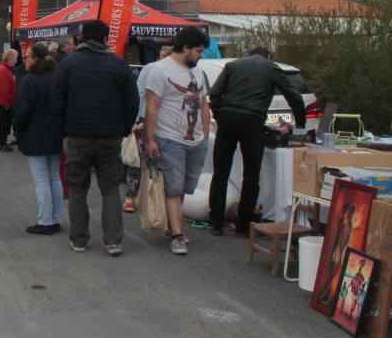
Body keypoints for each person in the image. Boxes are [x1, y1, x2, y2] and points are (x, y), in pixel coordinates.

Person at [53, 20, 138, 256]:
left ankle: (79, 240)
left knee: (78, 188)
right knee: (110, 189)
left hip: (77, 135)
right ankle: (113, 241)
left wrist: (64, 132)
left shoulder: (68, 64)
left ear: (81, 38)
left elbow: (56, 102)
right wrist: (123, 129)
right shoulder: (119, 65)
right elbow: (132, 101)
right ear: (105, 38)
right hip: (110, 136)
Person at [208, 46, 306, 236]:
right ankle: (243, 225)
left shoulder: (232, 66)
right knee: (251, 176)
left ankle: (216, 223)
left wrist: (220, 115)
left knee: (220, 173)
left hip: (228, 119)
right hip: (253, 121)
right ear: (269, 56)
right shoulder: (271, 68)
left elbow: (214, 94)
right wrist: (300, 125)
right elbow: (293, 95)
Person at [144, 26, 211, 256]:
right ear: (186, 48)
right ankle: (177, 235)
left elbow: (204, 104)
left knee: (183, 187)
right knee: (173, 186)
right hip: (169, 138)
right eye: (198, 51)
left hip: (196, 140)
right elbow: (152, 106)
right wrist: (150, 139)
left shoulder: (198, 72)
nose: (201, 55)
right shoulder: (159, 70)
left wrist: (204, 135)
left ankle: (172, 226)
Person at [14, 43, 64, 235]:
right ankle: (56, 218)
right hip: (55, 133)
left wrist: (18, 129)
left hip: (35, 135)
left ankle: (45, 221)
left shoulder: (29, 81)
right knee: (54, 177)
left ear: (36, 59)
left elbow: (22, 111)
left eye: (27, 57)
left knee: (42, 179)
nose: (24, 60)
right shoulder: (56, 78)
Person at [123, 44, 173, 214]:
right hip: (150, 120)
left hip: (146, 119)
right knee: (149, 161)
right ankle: (149, 199)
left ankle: (132, 198)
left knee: (139, 161)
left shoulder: (149, 69)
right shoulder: (154, 70)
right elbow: (140, 95)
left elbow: (138, 93)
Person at [0, 48, 18, 152]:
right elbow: (5, 89)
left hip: (5, 101)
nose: (16, 61)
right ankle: (1, 144)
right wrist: (6, 103)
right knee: (3, 122)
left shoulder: (5, 68)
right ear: (10, 58)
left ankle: (2, 142)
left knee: (4, 122)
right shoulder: (4, 69)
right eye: (15, 58)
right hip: (4, 102)